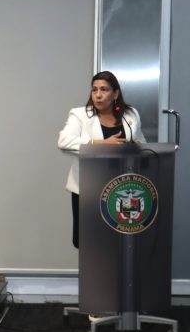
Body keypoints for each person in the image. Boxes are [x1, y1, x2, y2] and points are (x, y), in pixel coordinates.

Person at [57, 71, 146, 248]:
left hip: (121, 187)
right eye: (94, 89)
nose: (98, 95)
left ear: (115, 94)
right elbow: (64, 141)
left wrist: (136, 147)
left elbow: (142, 142)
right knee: (88, 241)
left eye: (104, 90)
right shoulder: (80, 114)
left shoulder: (130, 114)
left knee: (117, 239)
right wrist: (101, 143)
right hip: (89, 188)